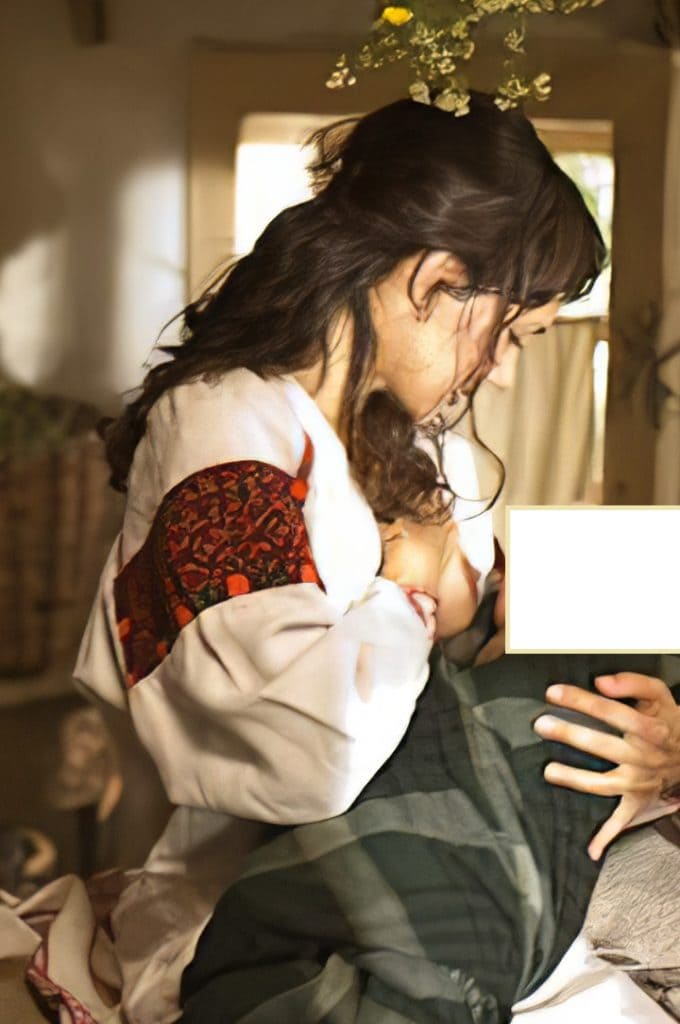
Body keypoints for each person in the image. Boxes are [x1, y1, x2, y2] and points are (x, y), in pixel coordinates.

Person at [36, 94, 680, 1022]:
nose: (502, 372)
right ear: (436, 278)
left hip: (470, 864)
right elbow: (303, 755)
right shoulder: (224, 433)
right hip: (280, 906)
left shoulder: (424, 444)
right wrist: (409, 587)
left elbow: (504, 643)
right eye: (510, 333)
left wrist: (648, 742)